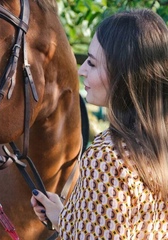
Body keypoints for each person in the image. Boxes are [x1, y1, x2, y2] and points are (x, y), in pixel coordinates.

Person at [30, 8, 168, 239]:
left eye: (92, 64)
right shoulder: (156, 144)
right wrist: (65, 217)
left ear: (124, 76)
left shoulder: (106, 158)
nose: (81, 70)